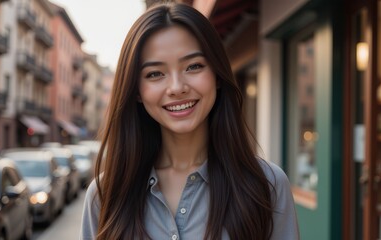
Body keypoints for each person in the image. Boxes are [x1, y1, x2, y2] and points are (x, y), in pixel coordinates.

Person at [81, 3, 299, 240]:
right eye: (155, 73)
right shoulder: (104, 196)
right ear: (136, 91)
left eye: (193, 66)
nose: (176, 88)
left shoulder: (267, 186)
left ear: (216, 75)